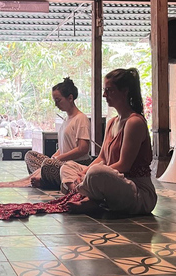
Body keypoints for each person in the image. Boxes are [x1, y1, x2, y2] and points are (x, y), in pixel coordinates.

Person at [62, 68, 157, 214]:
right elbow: (102, 158)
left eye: (109, 90)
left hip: (136, 191)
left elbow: (123, 165)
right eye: (104, 90)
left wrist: (88, 175)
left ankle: (84, 194)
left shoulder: (134, 122)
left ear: (124, 91)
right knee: (68, 167)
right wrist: (84, 173)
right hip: (112, 183)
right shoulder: (112, 122)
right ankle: (91, 197)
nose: (104, 95)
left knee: (97, 172)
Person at [0, 77, 91, 189]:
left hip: (74, 166)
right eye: (55, 101)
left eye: (58, 100)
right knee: (30, 156)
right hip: (61, 163)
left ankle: (45, 181)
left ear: (70, 98)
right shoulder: (66, 120)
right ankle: (44, 179)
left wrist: (58, 159)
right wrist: (55, 157)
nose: (56, 104)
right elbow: (65, 147)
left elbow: (83, 149)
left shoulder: (81, 119)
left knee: (49, 165)